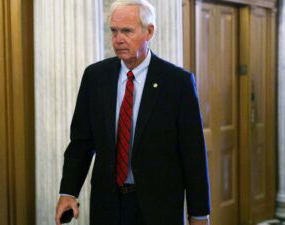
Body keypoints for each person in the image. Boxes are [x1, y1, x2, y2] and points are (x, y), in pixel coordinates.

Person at [55, 0, 210, 224]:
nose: (118, 39)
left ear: (149, 32)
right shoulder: (96, 77)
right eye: (114, 31)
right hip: (107, 205)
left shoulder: (177, 82)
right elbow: (81, 142)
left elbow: (193, 153)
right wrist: (68, 192)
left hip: (159, 207)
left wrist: (198, 213)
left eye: (127, 31)